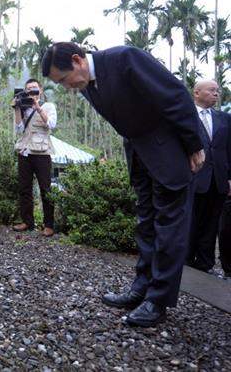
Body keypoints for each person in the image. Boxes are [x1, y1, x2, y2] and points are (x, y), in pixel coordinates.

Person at [41, 42, 205, 327]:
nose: (67, 87)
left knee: (169, 227)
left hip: (169, 150)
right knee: (146, 223)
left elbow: (175, 95)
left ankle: (158, 301)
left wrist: (194, 144)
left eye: (64, 79)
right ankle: (142, 288)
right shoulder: (87, 84)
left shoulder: (125, 59)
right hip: (139, 153)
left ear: (78, 60)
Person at [186, 80, 231, 274]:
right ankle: (186, 260)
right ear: (196, 93)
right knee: (190, 221)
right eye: (212, 90)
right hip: (193, 178)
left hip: (218, 180)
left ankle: (205, 263)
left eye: (217, 91)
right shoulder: (185, 116)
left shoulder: (225, 119)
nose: (216, 94)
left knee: (212, 224)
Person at [11, 78, 57, 236]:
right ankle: (27, 222)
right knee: (24, 188)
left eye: (34, 88)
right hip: (25, 151)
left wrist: (38, 108)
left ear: (40, 90)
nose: (31, 91)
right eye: (28, 89)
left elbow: (51, 125)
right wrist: (17, 109)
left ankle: (49, 225)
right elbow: (19, 129)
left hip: (42, 153)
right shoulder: (23, 107)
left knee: (45, 189)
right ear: (25, 91)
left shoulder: (48, 106)